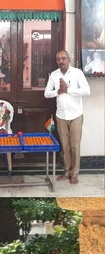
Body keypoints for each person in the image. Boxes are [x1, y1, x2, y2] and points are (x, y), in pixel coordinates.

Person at [44, 50, 90, 185]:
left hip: (75, 115)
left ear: (69, 59)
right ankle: (66, 171)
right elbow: (47, 93)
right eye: (58, 59)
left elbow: (86, 91)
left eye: (64, 58)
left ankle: (75, 173)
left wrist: (68, 90)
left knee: (74, 145)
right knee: (65, 146)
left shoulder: (77, 73)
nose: (61, 61)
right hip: (61, 115)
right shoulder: (54, 75)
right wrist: (57, 91)